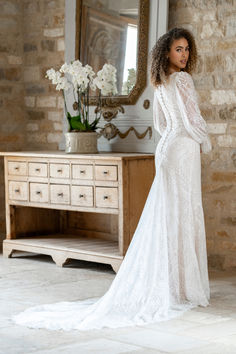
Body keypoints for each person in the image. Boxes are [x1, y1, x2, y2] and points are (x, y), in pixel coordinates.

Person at [13, 27, 212, 331]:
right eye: (178, 50)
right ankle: (185, 289)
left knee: (169, 216)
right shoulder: (182, 80)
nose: (184, 55)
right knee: (183, 214)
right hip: (183, 150)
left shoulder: (159, 82)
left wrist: (178, 138)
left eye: (186, 49)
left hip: (167, 149)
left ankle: (175, 286)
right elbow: (192, 120)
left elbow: (160, 123)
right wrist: (206, 140)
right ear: (166, 53)